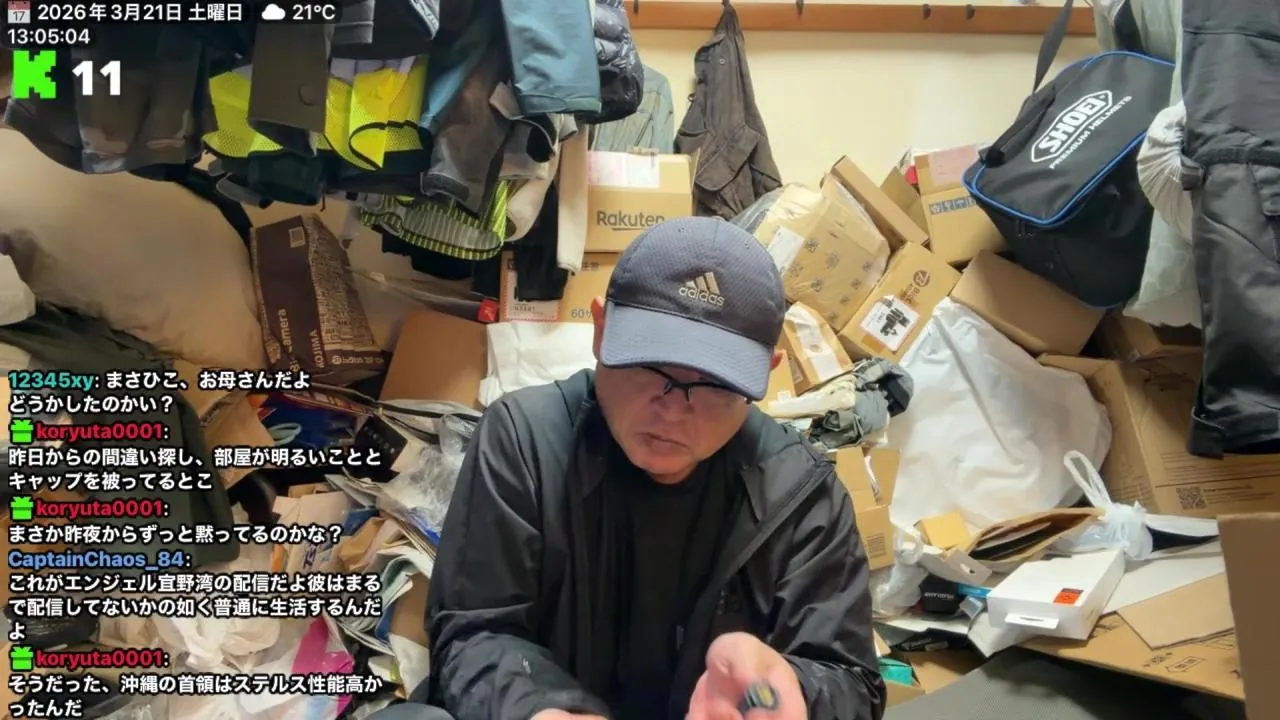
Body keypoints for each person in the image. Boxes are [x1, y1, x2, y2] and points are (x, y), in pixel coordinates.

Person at [382, 217, 884, 720]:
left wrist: (795, 690)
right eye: (650, 364)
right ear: (602, 332)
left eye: (715, 384)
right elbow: (475, 629)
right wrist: (538, 710)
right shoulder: (524, 440)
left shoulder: (800, 495)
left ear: (764, 376)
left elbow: (850, 680)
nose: (673, 409)